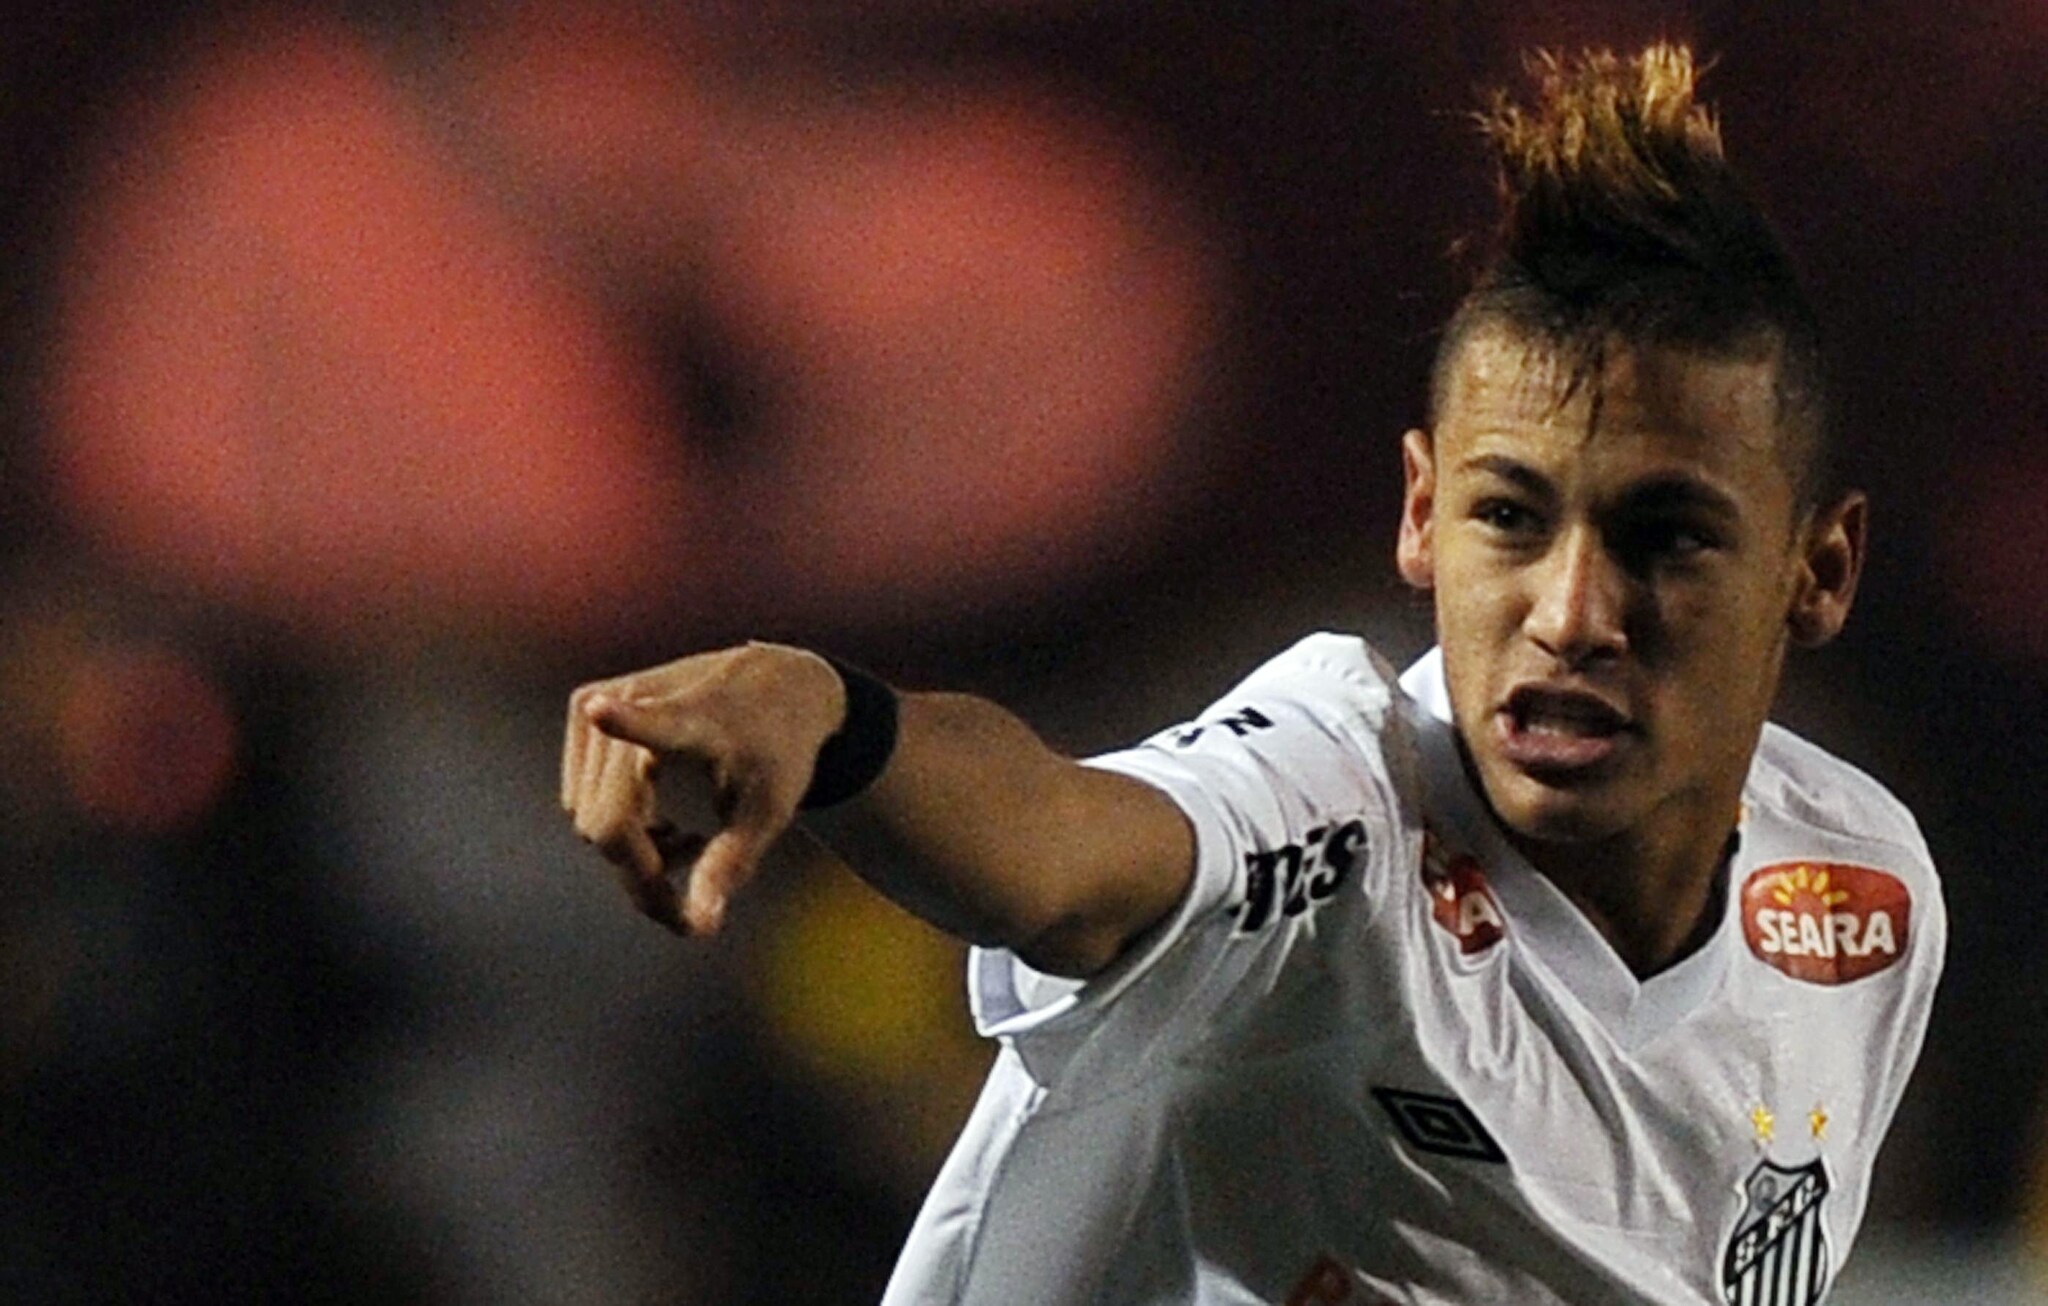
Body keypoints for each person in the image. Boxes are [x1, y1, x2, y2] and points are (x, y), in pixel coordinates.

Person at [560, 44, 1943, 1306]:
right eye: (1510, 519)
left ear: (1818, 571)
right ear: (1421, 516)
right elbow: (1064, 853)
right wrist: (831, 717)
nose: (1571, 612)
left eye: (1669, 537)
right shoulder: (1337, 804)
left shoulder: (1863, 893)